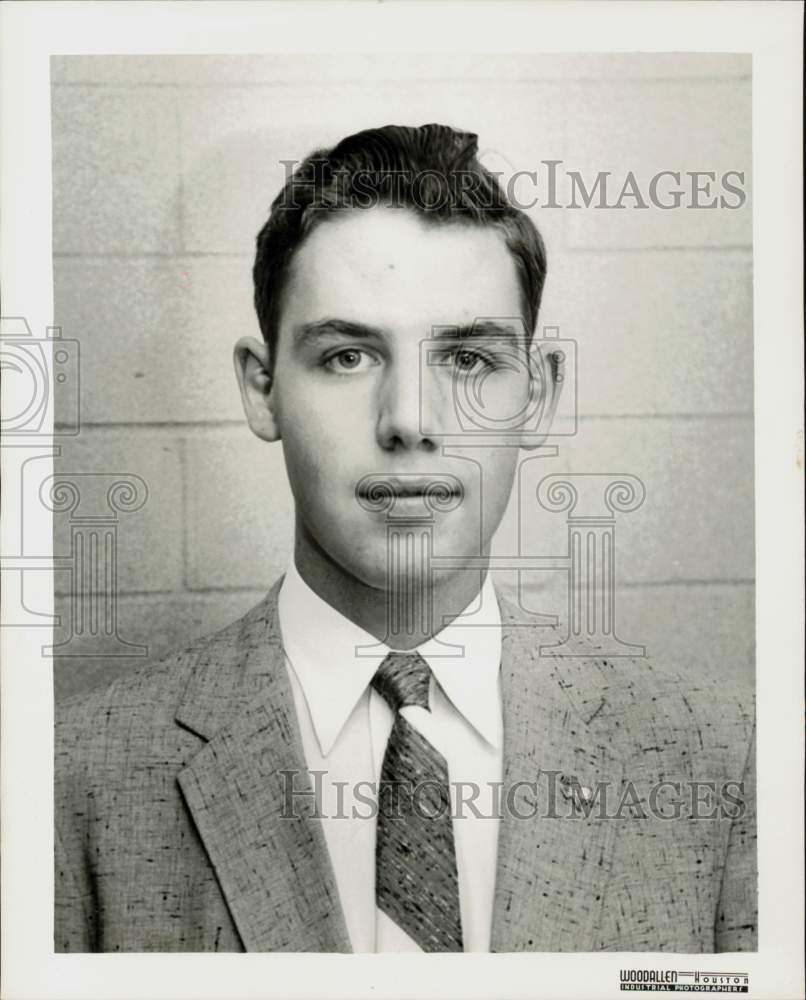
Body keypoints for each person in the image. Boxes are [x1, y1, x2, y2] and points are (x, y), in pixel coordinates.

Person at [55, 123, 756, 954]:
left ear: (537, 395)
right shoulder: (75, 776)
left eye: (466, 360)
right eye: (348, 355)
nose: (410, 422)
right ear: (261, 388)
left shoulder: (721, 752)